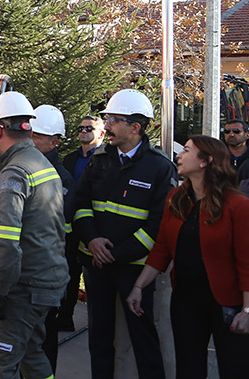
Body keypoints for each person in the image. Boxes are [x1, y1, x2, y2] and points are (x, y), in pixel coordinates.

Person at [69, 88, 177, 378]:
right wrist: (91, 240)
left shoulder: (159, 167)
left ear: (135, 127)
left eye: (113, 120)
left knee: (144, 340)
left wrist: (115, 255)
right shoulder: (99, 159)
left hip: (134, 271)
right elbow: (80, 206)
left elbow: (158, 225)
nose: (107, 126)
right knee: (99, 340)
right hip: (95, 265)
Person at [126, 135, 249, 378]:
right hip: (185, 300)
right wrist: (139, 286)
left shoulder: (238, 205)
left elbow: (247, 261)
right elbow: (162, 247)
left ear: (205, 161)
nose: (179, 155)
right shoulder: (177, 198)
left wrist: (248, 310)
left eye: (187, 151)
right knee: (188, 369)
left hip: (228, 304)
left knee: (235, 368)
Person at [0, 92, 68, 378]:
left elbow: (7, 245)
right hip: (48, 283)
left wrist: (0, 292)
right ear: (28, 128)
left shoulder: (13, 174)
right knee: (33, 356)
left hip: (23, 289)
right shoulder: (43, 165)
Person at [28, 103, 74, 370]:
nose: (30, 140)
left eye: (37, 136)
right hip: (28, 266)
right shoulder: (24, 167)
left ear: (54, 142)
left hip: (47, 269)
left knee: (44, 335)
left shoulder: (62, 179)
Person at [60, 113, 105, 330]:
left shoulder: (106, 159)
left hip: (93, 228)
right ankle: (65, 317)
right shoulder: (70, 159)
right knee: (69, 273)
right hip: (70, 227)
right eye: (81, 128)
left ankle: (98, 322)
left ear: (101, 133)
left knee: (93, 277)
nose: (84, 132)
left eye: (89, 128)